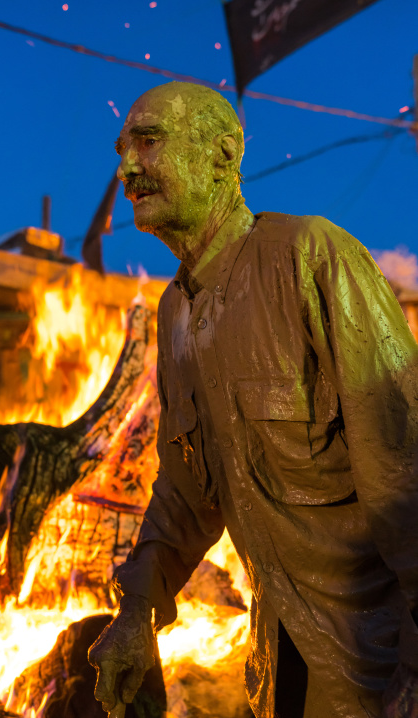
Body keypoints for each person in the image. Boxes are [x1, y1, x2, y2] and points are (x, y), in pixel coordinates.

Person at [88, 81, 418, 718]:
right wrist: (136, 613)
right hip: (278, 658)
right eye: (123, 148)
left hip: (379, 662)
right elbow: (186, 492)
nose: (127, 167)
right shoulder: (175, 311)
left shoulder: (310, 257)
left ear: (223, 153)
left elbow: (407, 467)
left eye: (148, 141)